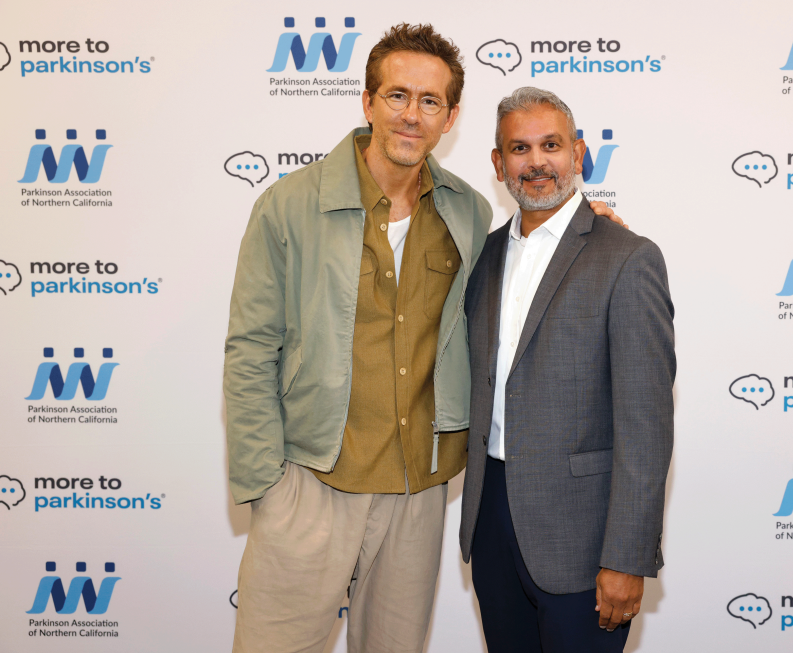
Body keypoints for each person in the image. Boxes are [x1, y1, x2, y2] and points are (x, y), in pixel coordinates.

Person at [224, 26, 622, 653]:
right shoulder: (289, 205)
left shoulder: (466, 211)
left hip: (418, 492)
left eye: (430, 101)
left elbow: (537, 242)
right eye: (398, 95)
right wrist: (267, 486)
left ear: (451, 117)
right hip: (309, 483)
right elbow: (249, 350)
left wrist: (588, 224)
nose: (412, 114)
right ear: (368, 102)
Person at [459, 87, 676, 653]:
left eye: (551, 145)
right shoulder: (481, 260)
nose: (536, 163)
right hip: (492, 523)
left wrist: (627, 557)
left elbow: (646, 424)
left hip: (584, 540)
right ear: (497, 163)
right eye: (519, 148)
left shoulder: (628, 257)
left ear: (578, 154)